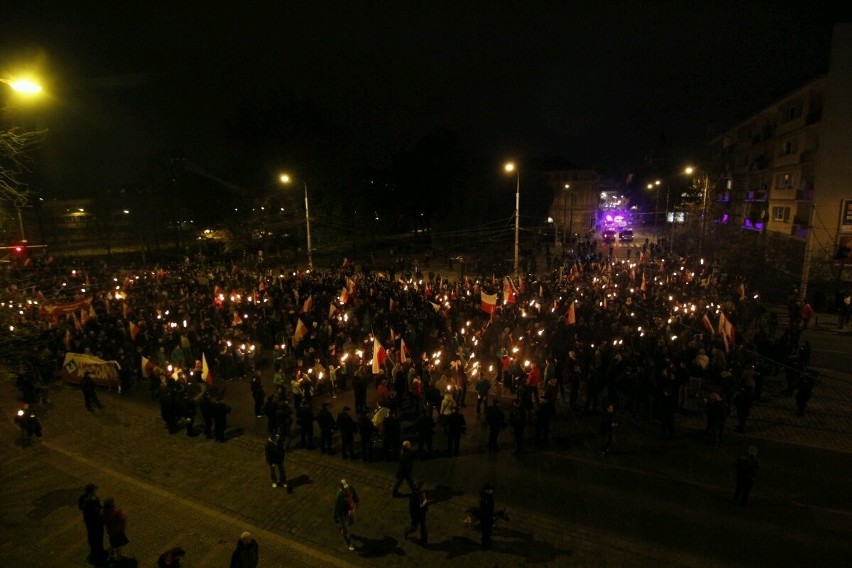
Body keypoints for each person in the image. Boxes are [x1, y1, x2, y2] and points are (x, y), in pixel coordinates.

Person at [78, 483, 105, 565]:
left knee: (90, 534)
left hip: (88, 520)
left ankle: (93, 550)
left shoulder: (82, 498)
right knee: (99, 536)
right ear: (92, 490)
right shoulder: (94, 499)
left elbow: (80, 507)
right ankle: (100, 551)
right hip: (96, 521)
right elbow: (99, 508)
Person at [333, 479, 359, 551]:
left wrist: (356, 502)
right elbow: (336, 508)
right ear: (341, 488)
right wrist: (336, 518)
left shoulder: (350, 488)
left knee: (351, 522)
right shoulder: (339, 496)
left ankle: (342, 527)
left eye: (347, 488)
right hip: (343, 514)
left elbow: (354, 495)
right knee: (346, 530)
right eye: (345, 489)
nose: (347, 490)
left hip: (350, 510)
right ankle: (349, 544)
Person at [101, 497, 129, 561]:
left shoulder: (104, 512)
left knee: (113, 544)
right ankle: (119, 556)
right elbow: (122, 518)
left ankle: (110, 556)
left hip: (111, 531)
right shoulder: (115, 511)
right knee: (119, 544)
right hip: (117, 530)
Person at [479, 483, 496, 550]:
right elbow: (486, 508)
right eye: (490, 490)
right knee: (485, 532)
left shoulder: (488, 496)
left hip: (487, 516)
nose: (491, 491)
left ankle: (486, 541)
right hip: (486, 517)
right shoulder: (485, 498)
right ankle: (484, 545)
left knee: (487, 531)